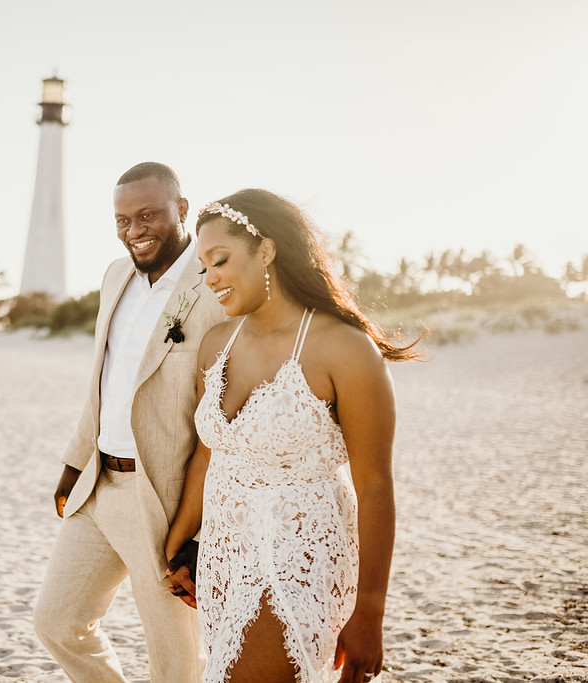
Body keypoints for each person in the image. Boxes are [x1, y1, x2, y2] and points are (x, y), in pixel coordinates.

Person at [165, 189, 419, 683]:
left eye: (219, 259)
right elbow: (209, 454)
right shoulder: (217, 343)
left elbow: (374, 485)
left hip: (300, 557)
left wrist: (369, 612)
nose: (210, 276)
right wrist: (177, 544)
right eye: (203, 267)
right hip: (224, 556)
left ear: (267, 249)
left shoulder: (343, 348)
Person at [33, 162, 226, 682]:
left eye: (147, 215)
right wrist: (74, 463)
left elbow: (222, 414)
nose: (134, 231)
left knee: (176, 660)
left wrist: (200, 522)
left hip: (160, 498)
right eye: (122, 219)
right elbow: (103, 380)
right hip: (98, 484)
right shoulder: (115, 277)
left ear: (182, 210)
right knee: (58, 621)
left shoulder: (215, 287)